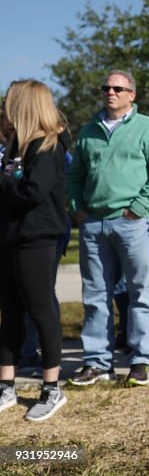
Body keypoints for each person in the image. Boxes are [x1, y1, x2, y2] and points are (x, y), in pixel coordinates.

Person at [67, 70, 149, 388]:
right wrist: (79, 211)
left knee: (139, 291)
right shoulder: (87, 131)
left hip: (132, 224)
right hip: (93, 224)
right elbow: (74, 178)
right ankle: (98, 362)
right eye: (106, 88)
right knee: (95, 295)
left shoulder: (148, 128)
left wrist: (137, 209)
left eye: (117, 88)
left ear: (131, 95)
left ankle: (140, 359)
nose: (110, 92)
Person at [0, 81, 70, 421]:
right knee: (9, 312)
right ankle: (6, 385)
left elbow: (32, 191)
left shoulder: (47, 144)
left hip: (37, 240)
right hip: (10, 237)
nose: (4, 106)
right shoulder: (16, 143)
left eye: (9, 101)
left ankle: (51, 388)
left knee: (42, 311)